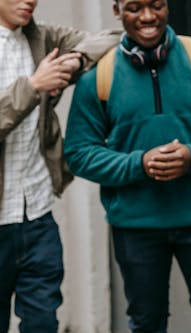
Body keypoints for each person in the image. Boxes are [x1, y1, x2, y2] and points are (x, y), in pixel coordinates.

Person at [64, 0, 191, 332]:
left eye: (156, 5)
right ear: (116, 10)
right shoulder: (98, 76)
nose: (148, 17)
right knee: (146, 324)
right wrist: (140, 163)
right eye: (135, 7)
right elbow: (79, 152)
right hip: (135, 227)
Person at [0, 0, 120, 332]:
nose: (30, 1)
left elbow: (113, 37)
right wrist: (33, 86)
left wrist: (78, 58)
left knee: (43, 323)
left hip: (37, 217)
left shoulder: (41, 38)